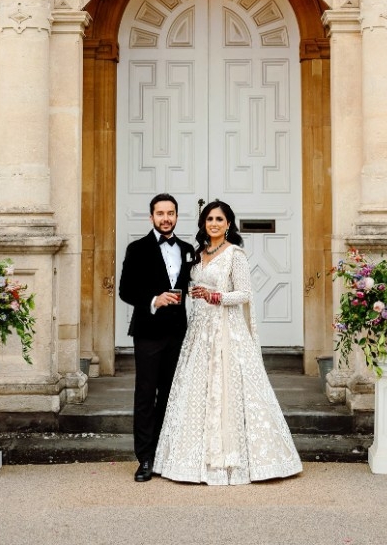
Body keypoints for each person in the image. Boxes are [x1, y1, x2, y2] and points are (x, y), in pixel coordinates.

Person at [153, 200, 302, 485]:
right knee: (196, 389)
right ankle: (188, 461)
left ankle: (243, 461)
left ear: (229, 224)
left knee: (229, 391)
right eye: (209, 219)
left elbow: (245, 294)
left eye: (219, 219)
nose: (214, 224)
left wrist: (217, 297)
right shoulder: (197, 255)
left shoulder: (235, 255)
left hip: (227, 331)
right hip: (200, 332)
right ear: (203, 224)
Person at [118, 192, 194, 482]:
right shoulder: (137, 249)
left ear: (176, 216)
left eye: (171, 213)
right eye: (160, 213)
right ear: (151, 217)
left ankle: (165, 452)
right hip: (148, 333)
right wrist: (153, 299)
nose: (166, 218)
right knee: (146, 395)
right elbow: (126, 290)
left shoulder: (188, 249)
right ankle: (145, 458)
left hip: (178, 333)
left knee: (171, 394)